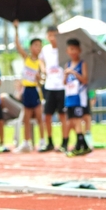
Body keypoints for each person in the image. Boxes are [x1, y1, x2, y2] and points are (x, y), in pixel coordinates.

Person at [13, 20, 45, 152]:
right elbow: (18, 45)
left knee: (39, 117)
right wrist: (16, 29)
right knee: (26, 118)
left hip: (35, 90)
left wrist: (40, 78)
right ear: (31, 47)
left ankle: (42, 141)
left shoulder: (40, 62)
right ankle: (26, 142)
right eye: (36, 45)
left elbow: (43, 75)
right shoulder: (26, 58)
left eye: (40, 46)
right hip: (27, 90)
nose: (38, 48)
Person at [39, 25, 68, 153]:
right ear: (47, 36)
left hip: (62, 86)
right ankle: (49, 141)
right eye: (50, 34)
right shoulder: (45, 50)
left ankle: (65, 142)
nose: (52, 37)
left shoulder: (64, 49)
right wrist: (43, 69)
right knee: (47, 116)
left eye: (55, 34)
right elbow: (40, 60)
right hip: (50, 86)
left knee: (62, 115)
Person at [63, 38, 91, 157]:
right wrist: (66, 75)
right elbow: (64, 82)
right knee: (72, 121)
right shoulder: (67, 65)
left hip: (79, 97)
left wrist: (74, 73)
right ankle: (83, 145)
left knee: (78, 120)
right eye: (70, 49)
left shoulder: (82, 64)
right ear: (67, 51)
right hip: (69, 97)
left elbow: (85, 80)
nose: (73, 51)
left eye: (75, 49)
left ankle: (80, 146)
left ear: (79, 50)